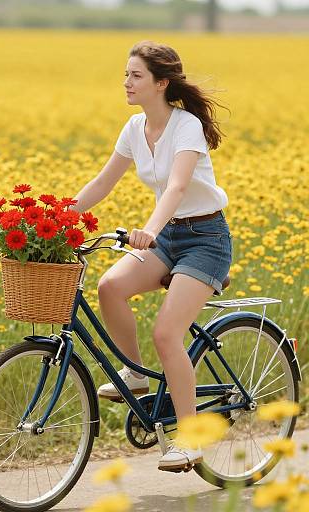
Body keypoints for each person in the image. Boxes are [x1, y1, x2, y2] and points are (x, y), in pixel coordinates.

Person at [68, 40, 233, 472]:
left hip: (205, 238)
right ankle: (137, 376)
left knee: (166, 334)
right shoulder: (133, 128)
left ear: (161, 83)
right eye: (125, 74)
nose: (126, 82)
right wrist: (55, 218)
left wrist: (150, 231)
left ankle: (191, 439)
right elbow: (103, 183)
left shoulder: (186, 126)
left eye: (135, 75)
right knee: (110, 287)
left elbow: (178, 187)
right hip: (166, 238)